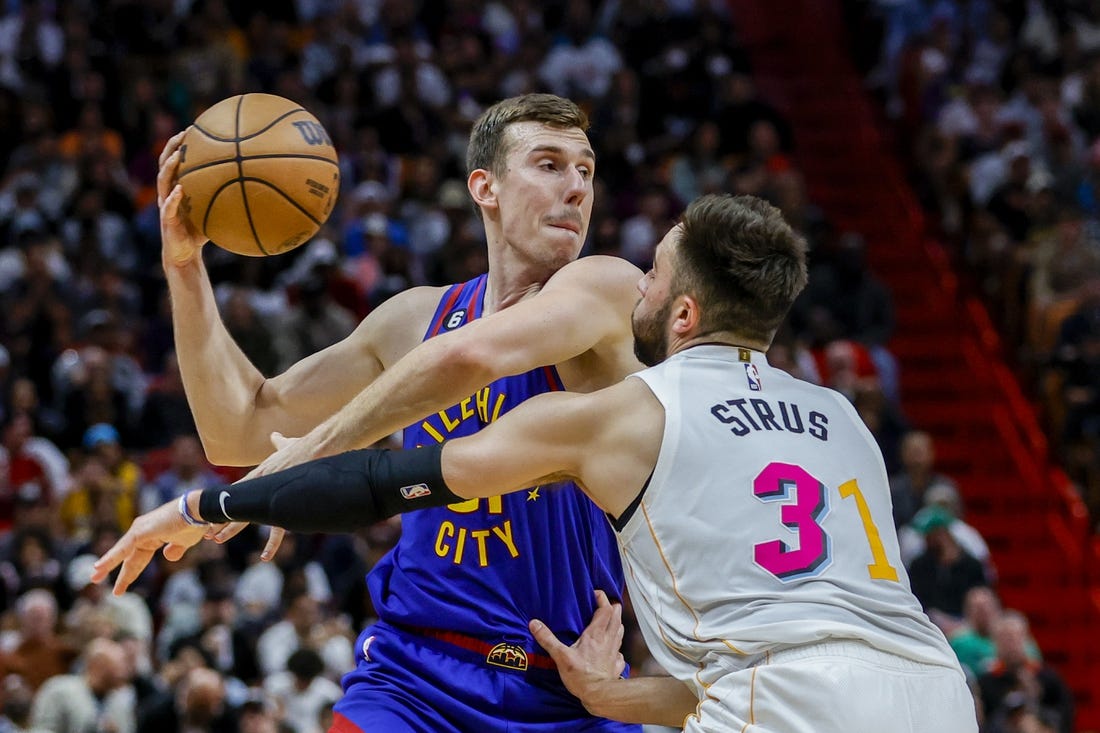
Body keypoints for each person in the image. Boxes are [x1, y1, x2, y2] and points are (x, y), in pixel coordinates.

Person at [96, 194, 978, 732]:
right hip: (931, 691)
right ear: (486, 186)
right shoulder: (843, 422)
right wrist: (613, 695)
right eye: (551, 163)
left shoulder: (617, 392)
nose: (639, 278)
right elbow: (748, 675)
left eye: (654, 274)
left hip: (733, 702)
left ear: (680, 313)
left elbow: (394, 459)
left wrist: (209, 509)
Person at [152, 93, 644, 731]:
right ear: (485, 187)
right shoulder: (416, 318)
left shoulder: (608, 291)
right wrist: (185, 269)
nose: (576, 187)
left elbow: (467, 359)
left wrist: (310, 451)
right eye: (549, 164)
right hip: (411, 674)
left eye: (586, 169)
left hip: (566, 688)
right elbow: (240, 427)